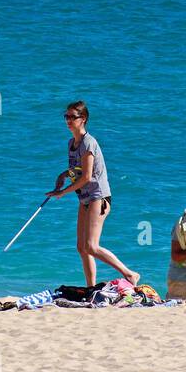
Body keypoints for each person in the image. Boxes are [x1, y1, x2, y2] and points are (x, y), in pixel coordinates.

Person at [48, 100, 139, 287]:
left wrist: (63, 193)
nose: (68, 120)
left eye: (72, 117)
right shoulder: (72, 143)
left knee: (91, 246)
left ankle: (130, 274)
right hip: (84, 198)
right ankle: (91, 288)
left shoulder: (88, 143)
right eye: (66, 116)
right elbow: (77, 170)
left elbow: (87, 177)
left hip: (99, 197)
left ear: (83, 119)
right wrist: (63, 175)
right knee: (82, 248)